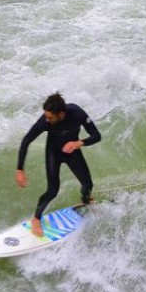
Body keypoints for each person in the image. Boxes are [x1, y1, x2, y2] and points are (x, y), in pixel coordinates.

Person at [16, 93, 101, 237]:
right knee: (52, 190)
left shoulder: (77, 113)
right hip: (53, 152)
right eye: (46, 116)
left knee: (88, 185)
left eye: (50, 117)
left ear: (61, 114)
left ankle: (86, 200)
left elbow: (96, 135)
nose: (47, 120)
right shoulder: (45, 122)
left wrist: (78, 143)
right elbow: (26, 141)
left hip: (72, 150)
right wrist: (20, 169)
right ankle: (36, 218)